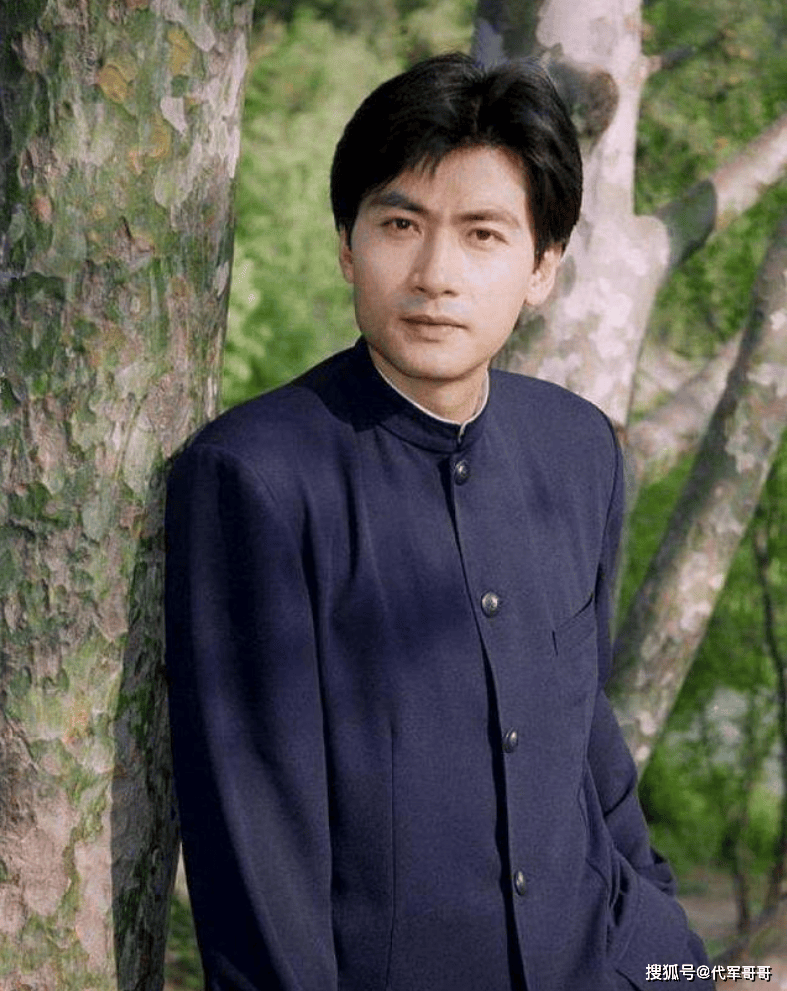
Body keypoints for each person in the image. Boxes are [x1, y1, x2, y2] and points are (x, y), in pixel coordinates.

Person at [164, 53, 711, 991]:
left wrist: (671, 956)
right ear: (348, 246)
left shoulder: (579, 448)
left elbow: (586, 736)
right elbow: (258, 863)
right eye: (399, 225)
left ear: (542, 269)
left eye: (482, 234)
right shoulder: (255, 479)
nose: (434, 274)